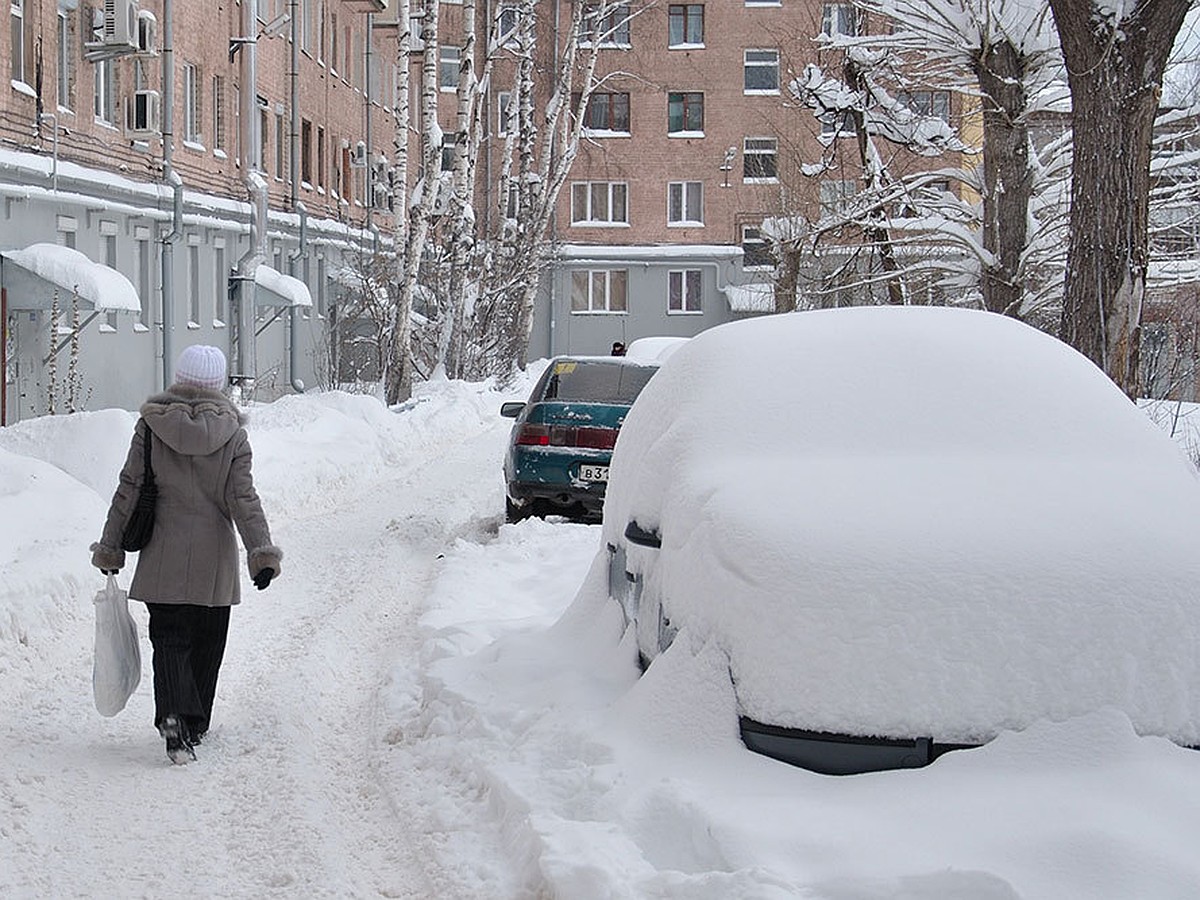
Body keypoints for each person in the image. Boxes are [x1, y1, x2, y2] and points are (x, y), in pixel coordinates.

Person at [90, 345, 281, 765]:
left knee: (170, 640)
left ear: (178, 379)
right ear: (218, 385)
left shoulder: (150, 429)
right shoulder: (233, 435)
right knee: (208, 642)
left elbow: (129, 490)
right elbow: (242, 498)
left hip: (163, 555)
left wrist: (111, 547)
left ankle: (173, 716)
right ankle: (195, 721)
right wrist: (260, 554)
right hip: (214, 560)